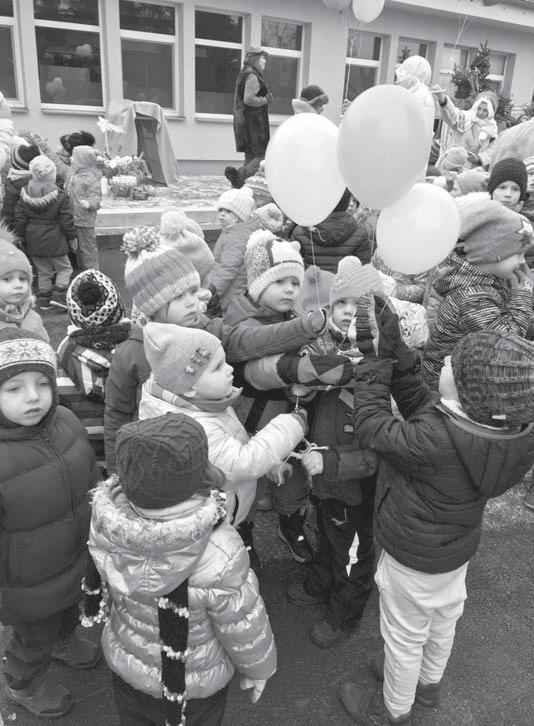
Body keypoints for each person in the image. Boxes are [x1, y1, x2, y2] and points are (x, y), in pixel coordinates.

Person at [340, 303, 534, 726]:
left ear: (466, 393)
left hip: (412, 557)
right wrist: (396, 350)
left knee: (403, 638)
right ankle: (427, 686)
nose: (444, 359)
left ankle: (391, 709)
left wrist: (373, 364)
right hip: (453, 551)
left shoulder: (437, 441)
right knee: (444, 619)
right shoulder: (502, 433)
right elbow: (424, 406)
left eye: (452, 364)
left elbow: (373, 427)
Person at [86, 414, 277, 726]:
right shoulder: (219, 548)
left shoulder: (107, 523)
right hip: (195, 682)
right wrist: (259, 669)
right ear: (201, 473)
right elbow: (242, 620)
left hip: (129, 667)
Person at [104, 230, 326, 474]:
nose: (191, 302)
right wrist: (119, 471)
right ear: (153, 305)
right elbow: (117, 414)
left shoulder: (208, 328)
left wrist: (303, 327)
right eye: (179, 296)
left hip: (215, 448)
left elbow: (250, 340)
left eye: (192, 291)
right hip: (161, 461)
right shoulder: (131, 354)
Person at [225, 230, 354, 563]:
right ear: (256, 284)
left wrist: (307, 388)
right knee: (247, 481)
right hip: (250, 417)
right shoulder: (240, 319)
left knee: (293, 477)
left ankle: (291, 523)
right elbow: (259, 344)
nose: (289, 290)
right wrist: (305, 332)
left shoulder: (293, 317)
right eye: (279, 281)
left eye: (295, 283)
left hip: (289, 415)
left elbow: (302, 364)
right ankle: (243, 530)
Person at [137, 322, 308, 566]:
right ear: (190, 387)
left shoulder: (204, 403)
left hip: (226, 510)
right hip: (211, 530)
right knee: (219, 579)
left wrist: (269, 465)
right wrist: (293, 425)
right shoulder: (193, 426)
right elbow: (240, 464)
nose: (230, 370)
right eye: (218, 367)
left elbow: (230, 446)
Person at [0, 328, 99, 720]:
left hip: (73, 554)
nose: (33, 396)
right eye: (14, 388)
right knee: (32, 638)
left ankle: (64, 640)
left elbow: (91, 477)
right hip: (25, 580)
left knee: (69, 608)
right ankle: (24, 684)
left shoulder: (68, 422)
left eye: (43, 383)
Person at [287, 257, 378, 648]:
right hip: (324, 486)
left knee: (353, 555)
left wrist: (333, 462)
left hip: (353, 491)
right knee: (327, 535)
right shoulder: (323, 354)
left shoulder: (377, 370)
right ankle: (321, 581)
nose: (348, 313)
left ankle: (344, 613)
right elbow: (312, 406)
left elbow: (380, 452)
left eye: (360, 307)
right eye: (342, 304)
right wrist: (302, 398)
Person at [422, 197, 534, 388]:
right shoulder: (472, 296)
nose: (522, 261)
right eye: (517, 254)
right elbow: (506, 343)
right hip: (448, 386)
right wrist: (524, 296)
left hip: (464, 372)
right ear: (491, 253)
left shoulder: (483, 281)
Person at [57, 269, 130, 470]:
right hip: (130, 456)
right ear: (119, 308)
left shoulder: (60, 360)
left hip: (84, 461)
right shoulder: (136, 354)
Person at [14, 155, 78, 309]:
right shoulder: (60, 196)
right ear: (52, 175)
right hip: (55, 239)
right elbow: (66, 221)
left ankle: (44, 302)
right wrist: (72, 238)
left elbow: (20, 219)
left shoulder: (24, 193)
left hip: (34, 238)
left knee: (43, 271)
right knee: (65, 268)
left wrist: (20, 237)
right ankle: (59, 297)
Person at [291, 188, 371, 272]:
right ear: (347, 202)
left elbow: (293, 270)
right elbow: (364, 272)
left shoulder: (300, 231)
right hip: (345, 284)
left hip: (310, 282)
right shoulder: (360, 232)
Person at [225, 47, 272, 189]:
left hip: (244, 123)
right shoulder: (252, 76)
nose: (265, 61)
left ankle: (239, 187)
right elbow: (249, 99)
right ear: (255, 59)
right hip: (254, 126)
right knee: (262, 155)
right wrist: (266, 99)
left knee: (250, 155)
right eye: (263, 58)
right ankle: (239, 177)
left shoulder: (244, 73)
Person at [0, 230, 48, 340]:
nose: (18, 285)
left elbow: (46, 348)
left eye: (22, 278)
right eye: (7, 279)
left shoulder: (33, 318)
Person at [433, 88, 498, 168]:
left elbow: (491, 150)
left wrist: (478, 159)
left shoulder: (492, 129)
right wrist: (443, 99)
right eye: (479, 108)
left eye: (485, 110)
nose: (480, 112)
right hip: (452, 163)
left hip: (473, 170)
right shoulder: (466, 118)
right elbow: (452, 113)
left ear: (491, 112)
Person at [65, 145, 102, 270]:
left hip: (85, 221)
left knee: (87, 249)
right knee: (76, 248)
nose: (71, 159)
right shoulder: (72, 173)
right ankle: (82, 271)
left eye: (74, 157)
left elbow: (96, 198)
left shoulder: (91, 178)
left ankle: (93, 272)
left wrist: (89, 203)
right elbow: (58, 165)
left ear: (82, 161)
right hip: (72, 218)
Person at [0, 144, 41, 233]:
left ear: (15, 164)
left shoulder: (13, 184)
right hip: (35, 231)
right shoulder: (39, 179)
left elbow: (8, 214)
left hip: (17, 232)